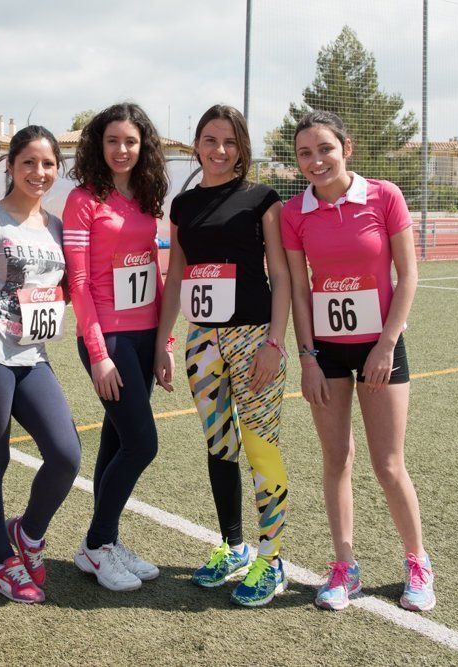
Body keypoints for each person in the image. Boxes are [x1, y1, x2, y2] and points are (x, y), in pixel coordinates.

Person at [281, 110, 434, 612]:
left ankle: (417, 562)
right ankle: (344, 567)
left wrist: (387, 345)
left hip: (380, 349)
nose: (315, 160)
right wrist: (306, 356)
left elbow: (407, 276)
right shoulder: (294, 213)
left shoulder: (384, 196)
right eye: (305, 153)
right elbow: (301, 293)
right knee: (336, 459)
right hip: (325, 351)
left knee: (388, 465)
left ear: (346, 148)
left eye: (324, 148)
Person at [154, 104, 291, 606]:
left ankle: (271, 560)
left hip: (254, 338)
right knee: (219, 445)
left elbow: (282, 275)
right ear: (196, 145)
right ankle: (233, 546)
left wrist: (275, 342)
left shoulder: (263, 199)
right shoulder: (184, 205)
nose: (219, 150)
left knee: (260, 447)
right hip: (201, 341)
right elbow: (176, 279)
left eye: (230, 141)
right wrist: (165, 342)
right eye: (210, 140)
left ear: (242, 147)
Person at [0, 125, 81, 604]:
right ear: (11, 166)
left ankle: (27, 532)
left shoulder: (57, 227)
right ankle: (2, 561)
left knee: (66, 454)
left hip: (33, 356)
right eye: (28, 162)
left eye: (48, 164)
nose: (38, 172)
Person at [62, 102, 166, 591]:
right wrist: (99, 353)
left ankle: (103, 542)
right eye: (112, 141)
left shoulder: (147, 197)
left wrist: (164, 340)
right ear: (97, 145)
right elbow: (79, 283)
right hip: (110, 337)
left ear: (142, 145)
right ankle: (97, 542)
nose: (122, 150)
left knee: (118, 439)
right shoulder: (84, 200)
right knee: (143, 443)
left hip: (146, 336)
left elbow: (154, 270)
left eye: (130, 141)